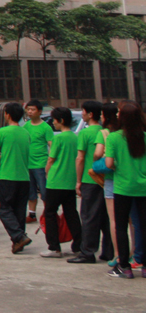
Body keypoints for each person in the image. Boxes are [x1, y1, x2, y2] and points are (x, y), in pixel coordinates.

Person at [100, 101, 146, 279]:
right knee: (143, 225)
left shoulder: (114, 137)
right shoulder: (144, 136)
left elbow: (109, 163)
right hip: (143, 187)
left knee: (120, 226)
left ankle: (124, 266)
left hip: (122, 187)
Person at [70, 101, 114, 264]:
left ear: (90, 114)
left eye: (83, 111)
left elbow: (80, 158)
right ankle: (109, 251)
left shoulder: (85, 133)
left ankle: (87, 252)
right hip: (105, 179)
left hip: (91, 179)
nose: (82, 114)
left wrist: (78, 181)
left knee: (88, 216)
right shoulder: (106, 131)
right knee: (106, 217)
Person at [39, 106, 82, 258]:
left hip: (56, 181)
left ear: (61, 121)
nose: (53, 123)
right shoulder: (75, 137)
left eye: (54, 120)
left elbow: (51, 159)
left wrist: (46, 172)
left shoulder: (58, 138)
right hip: (70, 181)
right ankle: (78, 245)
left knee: (50, 213)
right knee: (71, 213)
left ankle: (54, 247)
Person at [0, 102, 33, 253]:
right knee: (19, 210)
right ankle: (18, 241)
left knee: (4, 208)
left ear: (8, 115)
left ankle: (18, 236)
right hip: (24, 177)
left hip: (7, 176)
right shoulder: (25, 133)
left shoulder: (3, 132)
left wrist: (0, 156)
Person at [94, 102, 122, 266]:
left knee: (115, 220)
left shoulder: (106, 133)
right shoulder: (134, 134)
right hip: (132, 179)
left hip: (112, 179)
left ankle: (118, 255)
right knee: (134, 222)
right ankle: (135, 254)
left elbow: (99, 154)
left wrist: (97, 162)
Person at [24, 99, 55, 223]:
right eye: (28, 109)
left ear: (40, 111)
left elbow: (51, 145)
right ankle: (32, 214)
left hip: (41, 164)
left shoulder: (45, 127)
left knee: (44, 191)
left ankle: (49, 213)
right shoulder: (26, 126)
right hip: (28, 164)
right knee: (30, 192)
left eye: (33, 109)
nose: (30, 112)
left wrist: (50, 162)